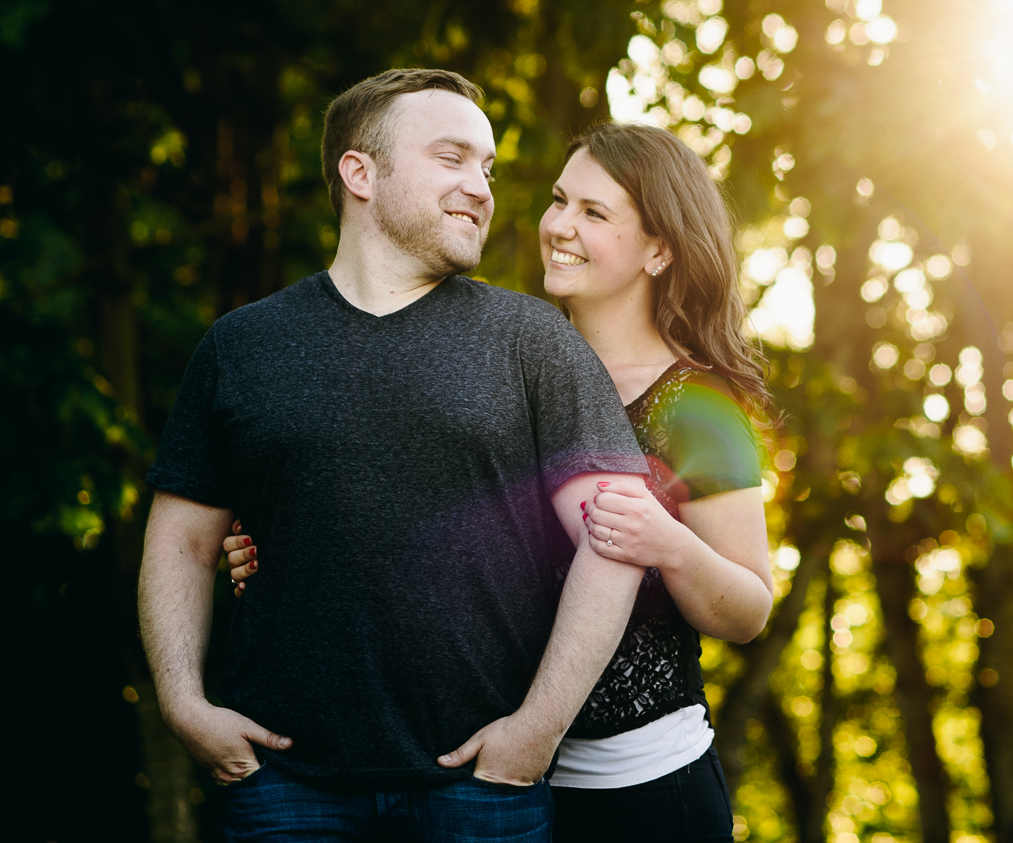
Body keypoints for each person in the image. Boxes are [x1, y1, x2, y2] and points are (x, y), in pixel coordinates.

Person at [225, 119, 777, 842]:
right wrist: (282, 553)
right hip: (484, 786)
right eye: (558, 201)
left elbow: (747, 611)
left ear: (660, 250)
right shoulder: (505, 367)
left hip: (638, 788)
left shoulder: (699, 404)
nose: (559, 227)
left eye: (594, 213)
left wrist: (668, 544)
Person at [139, 69, 651, 843]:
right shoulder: (241, 347)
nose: (480, 186)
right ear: (360, 173)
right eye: (452, 158)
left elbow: (614, 545)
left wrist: (536, 732)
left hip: (482, 789)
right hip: (281, 789)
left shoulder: (534, 342)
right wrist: (184, 703)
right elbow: (181, 538)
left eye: (487, 168)